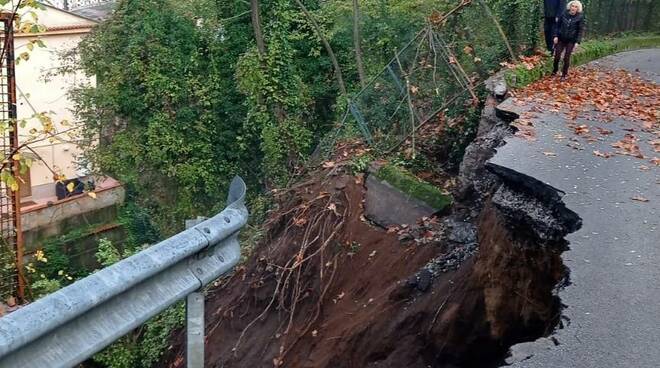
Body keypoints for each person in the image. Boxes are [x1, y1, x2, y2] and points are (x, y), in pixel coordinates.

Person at [553, 1, 585, 81]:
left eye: (575, 7)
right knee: (557, 56)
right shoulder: (563, 14)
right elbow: (557, 26)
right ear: (569, 7)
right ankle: (555, 70)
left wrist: (577, 42)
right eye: (572, 6)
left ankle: (564, 74)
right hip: (561, 38)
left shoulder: (580, 17)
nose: (573, 8)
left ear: (578, 9)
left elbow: (580, 30)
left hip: (571, 40)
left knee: (566, 57)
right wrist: (555, 36)